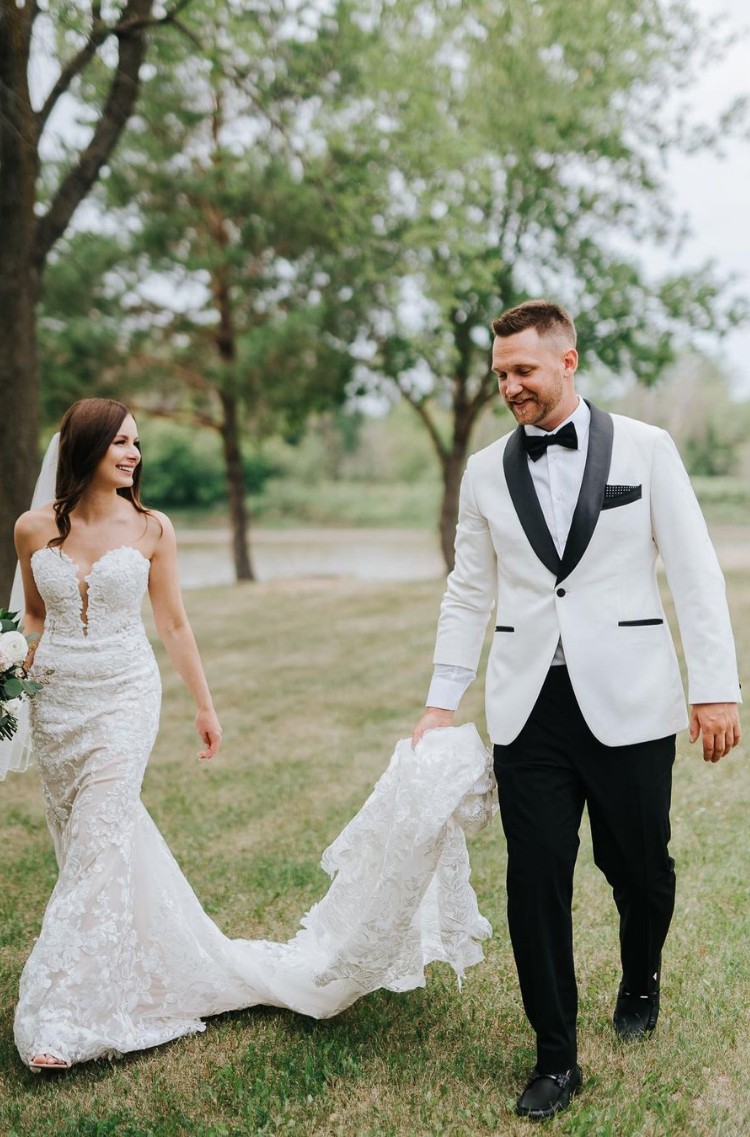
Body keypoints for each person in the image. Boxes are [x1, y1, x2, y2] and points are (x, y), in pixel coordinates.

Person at [11, 397, 495, 1072]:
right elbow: (33, 617)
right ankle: (131, 968)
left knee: (98, 836)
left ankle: (62, 1013)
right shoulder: (33, 529)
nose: (134, 454)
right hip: (58, 702)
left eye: (137, 444)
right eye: (121, 442)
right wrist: (14, 667)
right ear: (87, 447)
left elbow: (175, 625)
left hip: (124, 696)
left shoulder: (152, 529)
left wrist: (204, 707)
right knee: (89, 844)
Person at [412, 300, 742, 1121]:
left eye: (523, 370)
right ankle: (555, 1055)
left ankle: (641, 972)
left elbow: (695, 571)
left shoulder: (647, 448)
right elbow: (468, 589)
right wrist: (439, 701)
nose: (510, 387)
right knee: (535, 882)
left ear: (568, 360)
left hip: (632, 699)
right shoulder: (486, 470)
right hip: (529, 707)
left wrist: (714, 687)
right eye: (500, 375)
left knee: (641, 868)